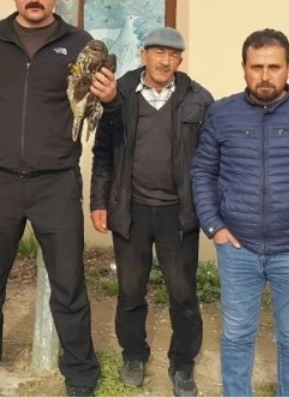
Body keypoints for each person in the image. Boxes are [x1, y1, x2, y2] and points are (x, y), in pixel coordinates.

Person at [0, 0, 116, 397]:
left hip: (56, 182)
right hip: (0, 181)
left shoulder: (80, 44)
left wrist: (111, 96)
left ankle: (81, 375)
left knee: (68, 286)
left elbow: (99, 111)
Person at [191, 28, 289, 397]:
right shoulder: (222, 113)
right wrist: (213, 225)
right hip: (238, 248)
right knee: (236, 334)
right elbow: (202, 172)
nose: (265, 76)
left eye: (274, 67)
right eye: (256, 66)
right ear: (243, 68)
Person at [89, 27, 212, 397]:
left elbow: (211, 159)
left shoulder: (198, 99)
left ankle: (183, 362)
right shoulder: (119, 94)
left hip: (178, 214)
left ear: (180, 60)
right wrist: (99, 201)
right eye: (157, 52)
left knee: (183, 293)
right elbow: (103, 154)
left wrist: (208, 207)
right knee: (130, 290)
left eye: (172, 54)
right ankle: (133, 354)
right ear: (143, 55)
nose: (164, 60)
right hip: (131, 211)